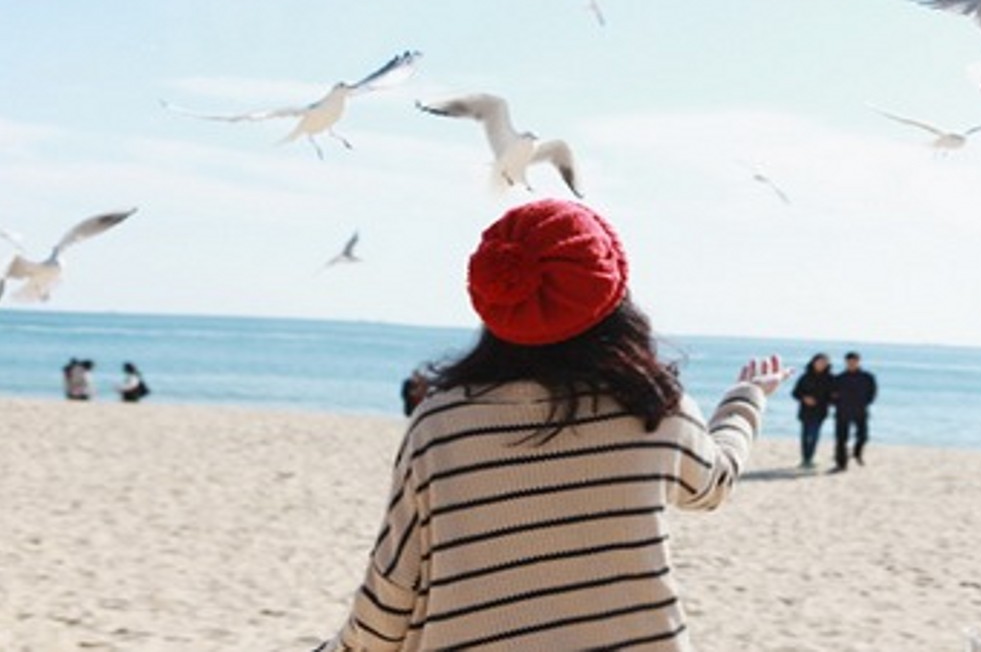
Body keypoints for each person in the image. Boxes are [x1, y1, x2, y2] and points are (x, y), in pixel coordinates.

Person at [314, 199, 789, 652]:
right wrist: (746, 399)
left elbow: (391, 595)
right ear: (611, 295)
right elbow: (713, 485)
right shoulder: (654, 406)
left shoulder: (441, 423)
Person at [831, 351, 877, 471]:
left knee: (863, 436)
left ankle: (857, 453)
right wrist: (837, 403)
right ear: (846, 362)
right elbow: (832, 395)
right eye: (849, 362)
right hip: (842, 411)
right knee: (841, 439)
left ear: (858, 362)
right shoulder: (839, 378)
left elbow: (872, 393)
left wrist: (865, 403)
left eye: (854, 361)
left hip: (860, 410)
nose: (852, 364)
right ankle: (841, 464)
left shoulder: (867, 377)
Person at [791, 353, 833, 469]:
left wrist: (830, 400)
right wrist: (805, 398)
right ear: (813, 362)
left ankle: (810, 458)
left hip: (820, 411)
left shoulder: (830, 378)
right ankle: (805, 459)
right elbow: (795, 393)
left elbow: (833, 396)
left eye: (824, 363)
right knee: (805, 436)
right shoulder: (805, 377)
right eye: (820, 362)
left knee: (814, 436)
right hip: (805, 411)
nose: (822, 364)